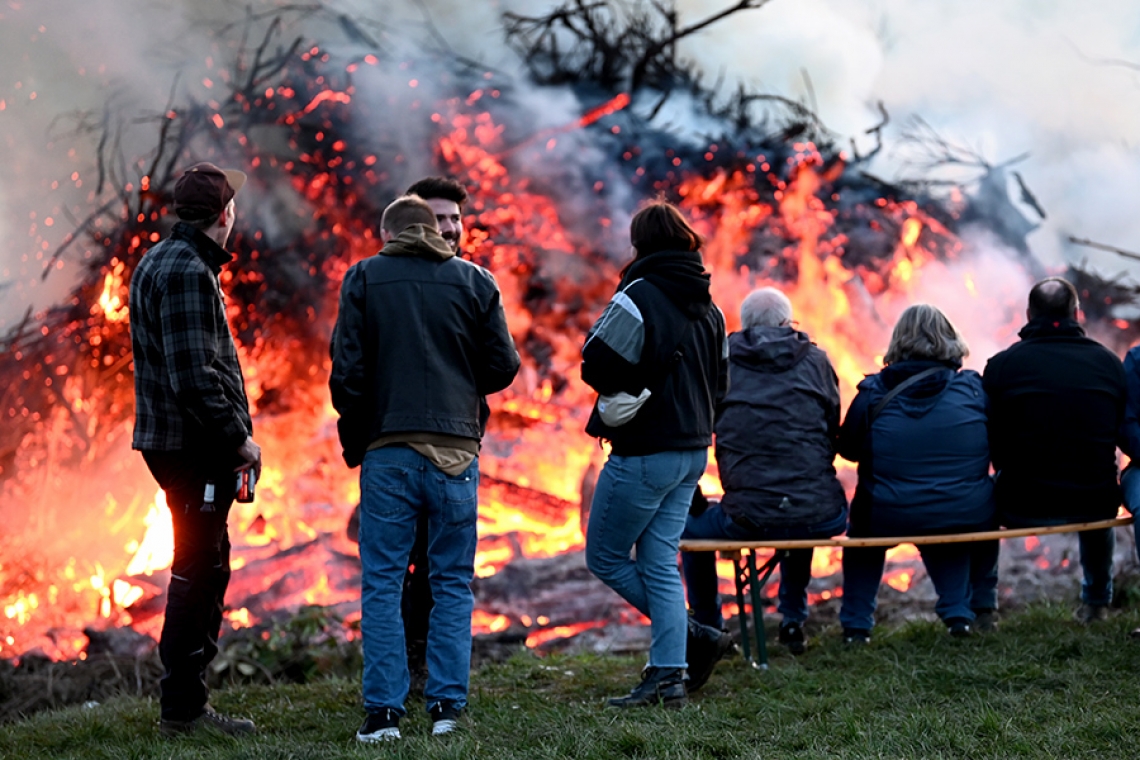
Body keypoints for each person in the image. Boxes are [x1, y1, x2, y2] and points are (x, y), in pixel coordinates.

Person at [330, 195, 519, 742]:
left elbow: (347, 373)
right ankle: (446, 710)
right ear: (433, 230)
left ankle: (383, 714)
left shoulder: (364, 278)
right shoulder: (476, 281)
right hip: (456, 452)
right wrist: (460, 385)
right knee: (453, 582)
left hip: (388, 450)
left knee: (384, 583)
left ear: (388, 233)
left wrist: (362, 428)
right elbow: (503, 365)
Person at [129, 161, 260, 736]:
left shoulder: (168, 260)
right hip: (193, 447)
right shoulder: (185, 269)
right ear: (225, 213)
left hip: (185, 446)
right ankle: (182, 710)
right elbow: (193, 378)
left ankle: (188, 703)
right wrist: (240, 439)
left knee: (206, 566)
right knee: (196, 574)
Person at [582, 201, 728, 708]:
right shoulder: (712, 307)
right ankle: (669, 678)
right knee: (661, 563)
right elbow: (722, 385)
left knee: (603, 556)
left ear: (640, 244)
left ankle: (694, 636)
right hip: (692, 452)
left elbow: (596, 363)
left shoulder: (638, 294)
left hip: (645, 451)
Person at [681, 287, 847, 657]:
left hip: (747, 517)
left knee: (687, 529)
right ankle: (792, 619)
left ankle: (708, 627)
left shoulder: (719, 363)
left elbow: (697, 429)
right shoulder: (817, 361)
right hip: (820, 514)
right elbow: (832, 426)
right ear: (788, 323)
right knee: (801, 507)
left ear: (745, 326)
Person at [838, 304, 994, 642]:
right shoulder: (973, 389)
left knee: (864, 538)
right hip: (961, 510)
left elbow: (848, 449)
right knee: (943, 511)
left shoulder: (872, 392)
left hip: (886, 514)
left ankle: (856, 626)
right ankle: (959, 615)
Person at [984, 277, 1126, 623]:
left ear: (1029, 314)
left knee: (979, 500)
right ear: (1077, 314)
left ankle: (982, 608)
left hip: (1021, 503)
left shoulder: (1002, 366)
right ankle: (1096, 603)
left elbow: (988, 439)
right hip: (1094, 501)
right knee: (1098, 502)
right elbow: (1119, 432)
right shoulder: (1109, 363)